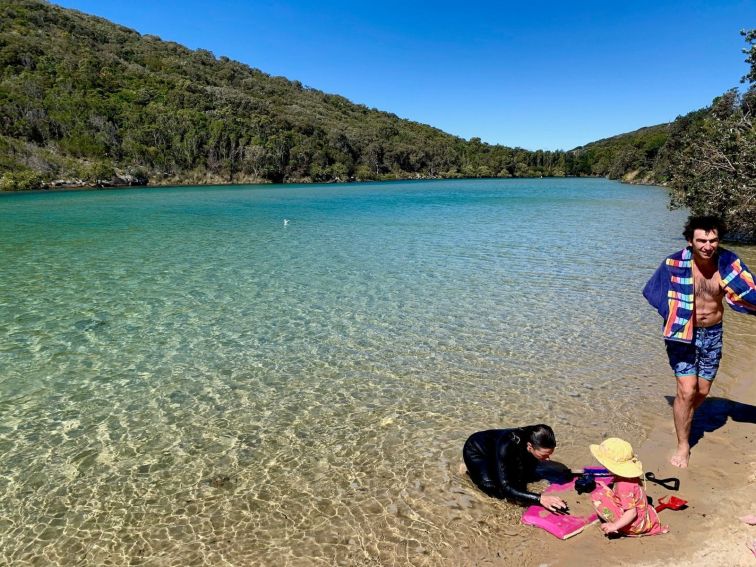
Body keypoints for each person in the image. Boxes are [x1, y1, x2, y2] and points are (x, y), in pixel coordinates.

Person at [643, 215, 756, 467]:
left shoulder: (729, 264)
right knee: (687, 389)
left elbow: (750, 291)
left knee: (702, 391)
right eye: (701, 240)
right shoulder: (674, 263)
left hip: (713, 332)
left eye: (713, 240)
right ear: (690, 241)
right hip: (682, 335)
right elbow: (653, 291)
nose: (707, 246)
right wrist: (674, 314)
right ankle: (683, 445)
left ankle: (682, 417)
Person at [462, 424, 568, 512]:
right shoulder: (507, 446)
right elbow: (506, 488)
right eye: (544, 455)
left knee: (524, 478)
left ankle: (499, 465)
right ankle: (469, 473)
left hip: (500, 450)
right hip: (477, 450)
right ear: (530, 446)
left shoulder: (537, 433)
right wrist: (540, 499)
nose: (548, 459)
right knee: (494, 490)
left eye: (549, 454)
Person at [588, 438, 667, 537]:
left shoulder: (623, 485)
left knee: (597, 497)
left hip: (634, 525)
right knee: (605, 491)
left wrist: (614, 526)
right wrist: (608, 489)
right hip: (645, 517)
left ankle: (622, 527)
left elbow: (632, 513)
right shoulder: (631, 477)